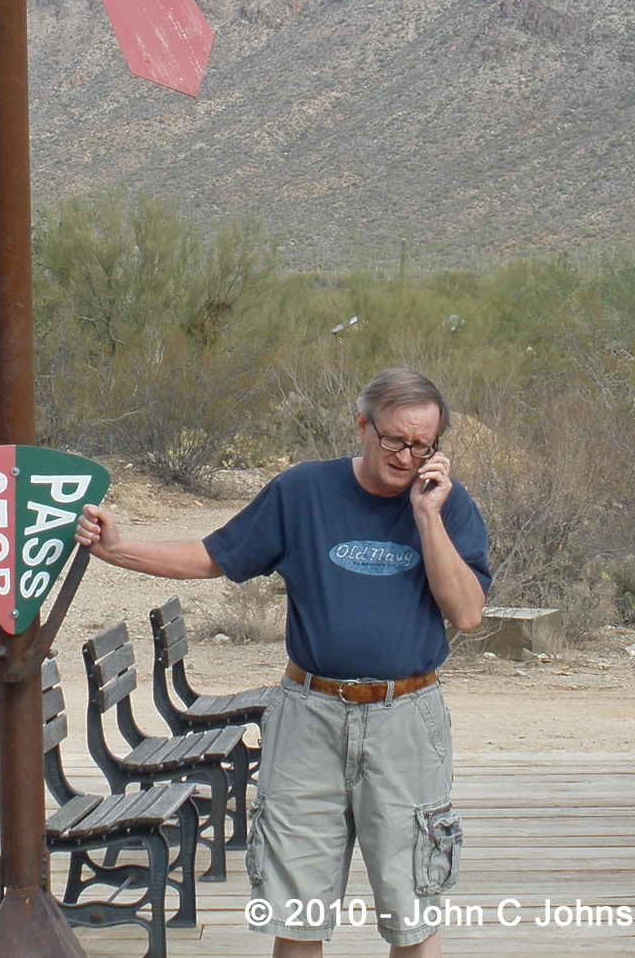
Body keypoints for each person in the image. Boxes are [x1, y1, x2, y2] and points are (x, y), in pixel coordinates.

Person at [75, 367, 491, 958]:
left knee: (413, 911)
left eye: (423, 445)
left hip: (407, 721)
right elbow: (213, 555)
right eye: (395, 439)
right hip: (308, 717)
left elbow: (467, 612)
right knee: (297, 914)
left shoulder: (447, 506)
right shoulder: (302, 492)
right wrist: (120, 549)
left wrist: (428, 518)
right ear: (361, 426)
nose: (406, 455)